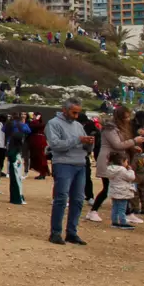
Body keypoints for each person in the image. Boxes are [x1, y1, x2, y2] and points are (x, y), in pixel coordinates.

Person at [47, 99, 96, 245]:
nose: (76, 116)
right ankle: (55, 233)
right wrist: (78, 139)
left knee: (78, 200)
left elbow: (84, 147)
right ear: (65, 110)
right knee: (61, 198)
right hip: (63, 164)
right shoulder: (53, 124)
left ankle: (72, 232)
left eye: (78, 113)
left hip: (80, 164)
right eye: (74, 112)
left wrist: (90, 143)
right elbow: (55, 145)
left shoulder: (79, 125)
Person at [89, 106, 142, 223]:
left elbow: (120, 143)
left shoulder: (116, 128)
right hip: (108, 160)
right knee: (108, 187)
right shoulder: (110, 129)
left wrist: (133, 147)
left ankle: (128, 213)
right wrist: (134, 141)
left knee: (121, 186)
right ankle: (93, 211)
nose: (128, 120)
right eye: (126, 117)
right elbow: (117, 145)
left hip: (116, 160)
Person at [105, 151, 138, 230]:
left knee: (115, 207)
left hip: (114, 191)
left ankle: (114, 221)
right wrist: (130, 170)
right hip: (122, 192)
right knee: (122, 208)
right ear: (122, 161)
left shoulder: (110, 169)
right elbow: (131, 177)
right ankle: (123, 222)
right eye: (126, 161)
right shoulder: (122, 170)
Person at [28, 113, 50, 180]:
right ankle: (43, 172)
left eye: (35, 115)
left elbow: (34, 125)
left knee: (41, 158)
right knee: (37, 158)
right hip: (35, 142)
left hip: (39, 142)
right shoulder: (33, 123)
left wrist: (36, 119)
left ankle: (43, 172)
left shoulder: (41, 124)